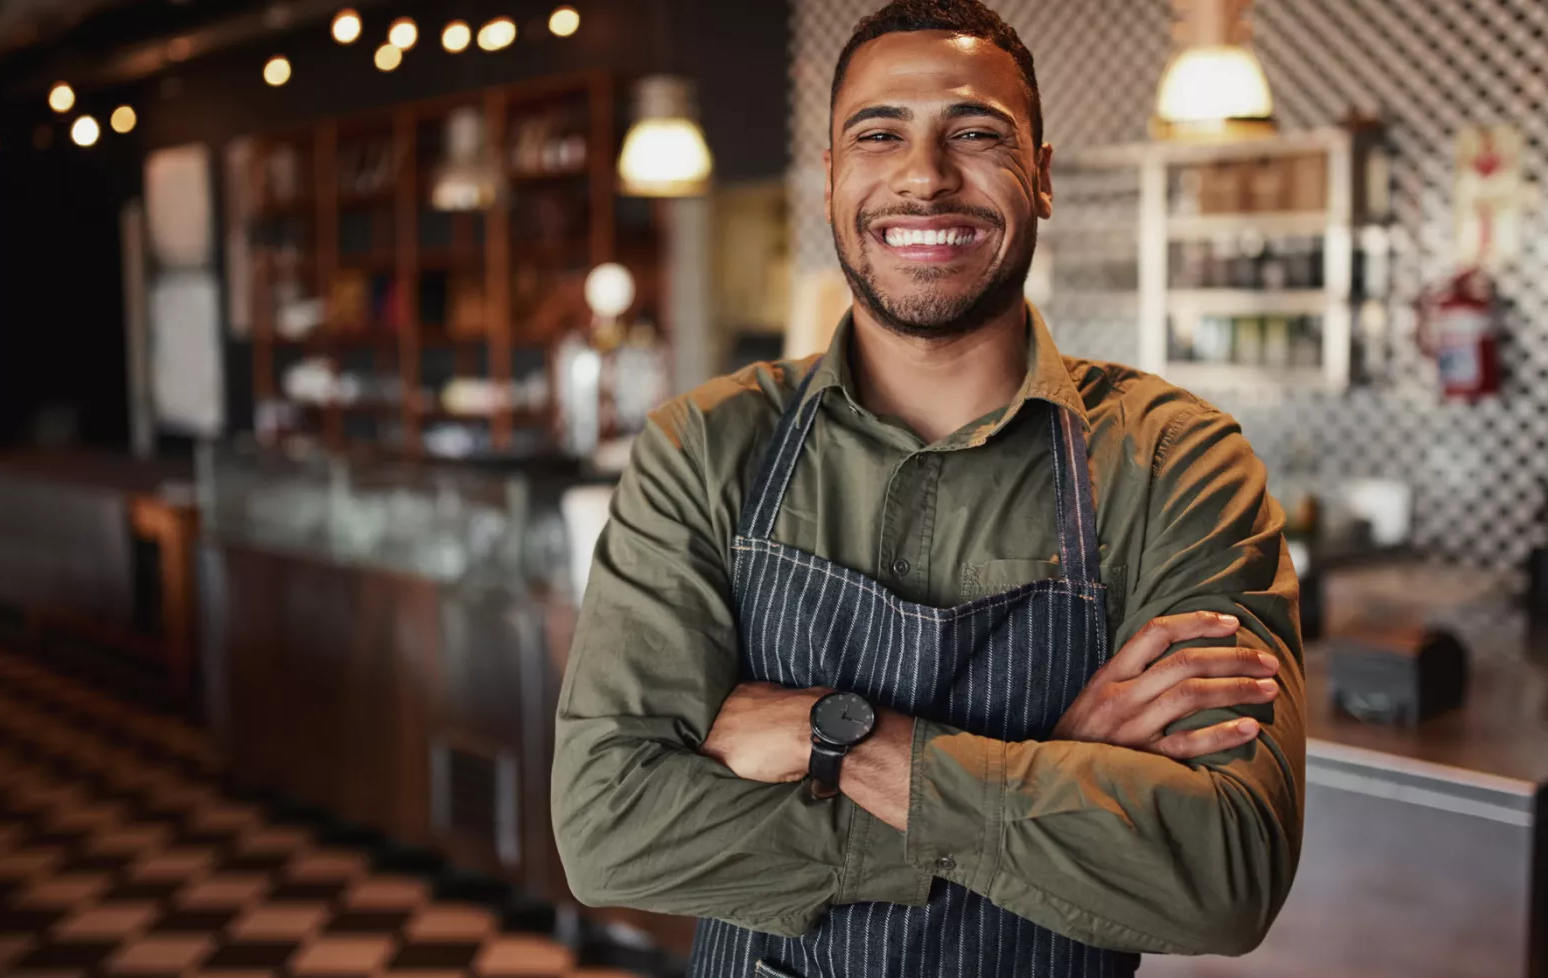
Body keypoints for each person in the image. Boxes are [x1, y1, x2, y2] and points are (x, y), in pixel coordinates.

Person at [551, 1, 1305, 975]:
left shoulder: (1176, 461)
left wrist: (841, 742)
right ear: (831, 182)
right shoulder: (705, 446)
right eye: (879, 134)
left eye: (977, 134)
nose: (924, 175)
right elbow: (610, 830)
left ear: (1041, 177)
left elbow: (1222, 878)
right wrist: (1046, 764)